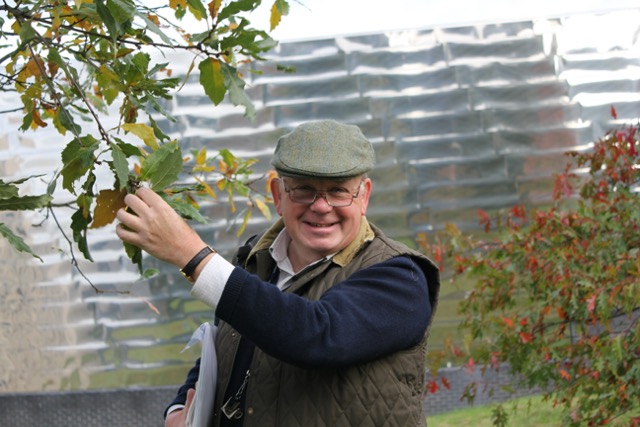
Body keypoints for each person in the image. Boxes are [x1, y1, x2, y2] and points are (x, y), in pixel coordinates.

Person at [116, 120, 440, 427]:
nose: (321, 206)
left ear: (364, 195)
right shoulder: (256, 260)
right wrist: (178, 410)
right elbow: (220, 350)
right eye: (303, 189)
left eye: (339, 191)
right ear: (277, 196)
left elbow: (317, 335)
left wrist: (192, 255)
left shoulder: (402, 277)